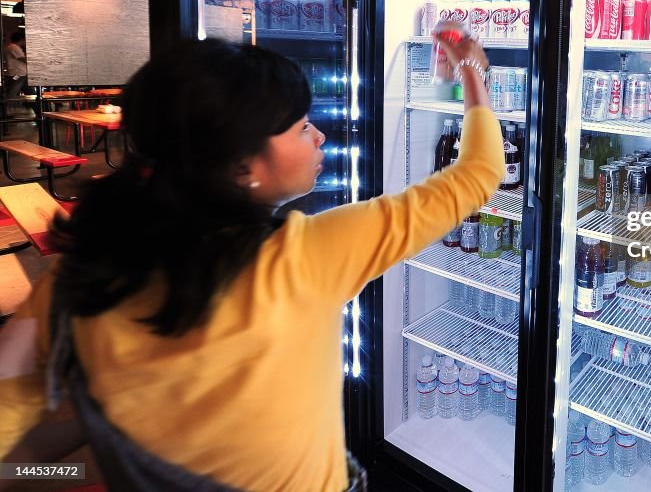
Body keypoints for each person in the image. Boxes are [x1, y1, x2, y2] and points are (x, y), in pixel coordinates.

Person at [0, 26, 502, 491]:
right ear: (243, 166)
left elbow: (8, 442)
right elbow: (478, 174)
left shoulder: (73, 278)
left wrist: (82, 462)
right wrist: (472, 74)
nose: (320, 137)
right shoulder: (306, 257)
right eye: (303, 126)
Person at [3, 29, 28, 105]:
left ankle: (37, 110)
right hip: (18, 74)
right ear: (22, 40)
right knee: (13, 92)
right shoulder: (14, 47)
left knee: (28, 91)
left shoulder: (11, 47)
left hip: (18, 73)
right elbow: (23, 59)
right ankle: (7, 111)